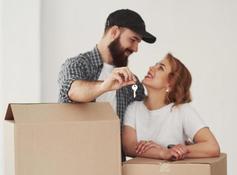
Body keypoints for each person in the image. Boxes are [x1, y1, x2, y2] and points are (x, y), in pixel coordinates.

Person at [58, 9, 156, 161]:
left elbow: (144, 122)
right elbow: (73, 91)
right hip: (75, 163)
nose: (136, 49)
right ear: (115, 32)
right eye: (133, 39)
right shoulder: (78, 64)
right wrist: (105, 86)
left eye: (138, 42)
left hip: (115, 167)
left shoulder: (132, 83)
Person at [122, 53, 220, 160]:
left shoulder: (182, 110)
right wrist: (163, 153)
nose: (151, 68)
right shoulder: (133, 108)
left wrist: (180, 150)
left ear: (170, 83)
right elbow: (129, 147)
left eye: (160, 68)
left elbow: (212, 147)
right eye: (155, 65)